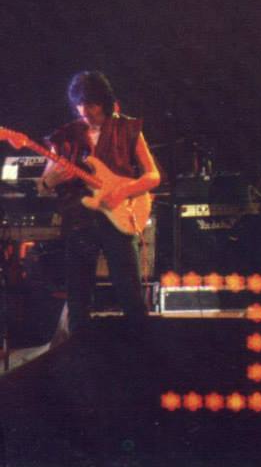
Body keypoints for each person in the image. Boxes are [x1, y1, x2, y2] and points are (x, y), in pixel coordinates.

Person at [38, 71, 161, 335]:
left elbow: (153, 176)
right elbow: (42, 186)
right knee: (78, 299)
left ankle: (142, 349)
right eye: (80, 105)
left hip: (119, 217)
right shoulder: (64, 137)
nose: (85, 111)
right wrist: (50, 180)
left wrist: (123, 190)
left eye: (91, 104)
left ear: (105, 103)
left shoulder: (128, 128)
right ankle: (79, 352)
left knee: (130, 294)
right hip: (79, 220)